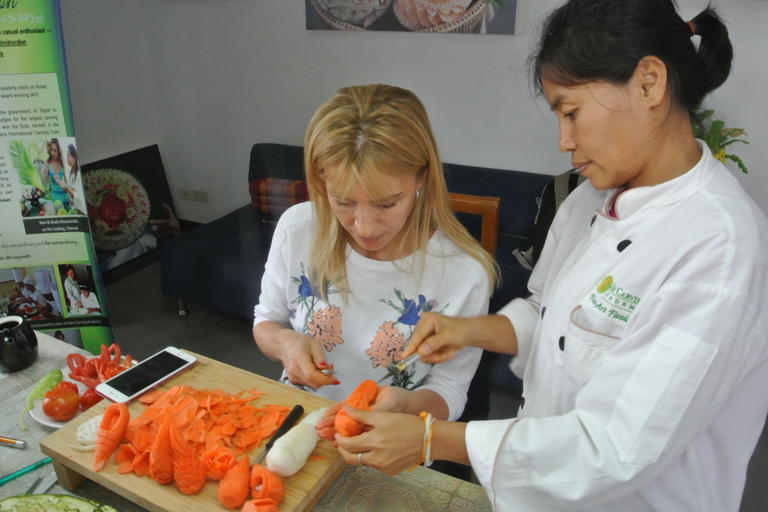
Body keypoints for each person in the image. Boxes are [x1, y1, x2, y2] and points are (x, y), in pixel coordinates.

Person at [329, 2, 768, 511]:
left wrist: (433, 438)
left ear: (649, 82)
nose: (563, 141)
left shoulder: (719, 246)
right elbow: (549, 313)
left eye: (571, 112)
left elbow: (615, 448)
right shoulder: (588, 200)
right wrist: (468, 330)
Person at [252, 84, 498, 425]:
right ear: (321, 182)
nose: (364, 227)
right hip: (298, 420)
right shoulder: (297, 229)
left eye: (386, 203)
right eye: (343, 201)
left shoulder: (464, 274)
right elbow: (266, 320)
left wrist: (406, 406)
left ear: (422, 179)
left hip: (390, 442)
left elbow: (450, 391)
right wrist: (285, 344)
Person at [45, 138, 70, 211]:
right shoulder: (47, 162)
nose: (52, 153)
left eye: (55, 150)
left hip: (64, 196)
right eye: (51, 150)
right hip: (55, 198)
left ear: (58, 150)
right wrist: (45, 175)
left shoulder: (62, 162)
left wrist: (70, 197)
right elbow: (46, 181)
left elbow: (66, 181)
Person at [62, 144, 86, 214]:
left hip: (82, 211)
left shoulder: (79, 174)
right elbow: (69, 191)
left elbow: (80, 198)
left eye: (68, 156)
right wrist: (63, 186)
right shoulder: (69, 171)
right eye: (67, 155)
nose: (67, 158)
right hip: (74, 210)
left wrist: (67, 187)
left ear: (75, 159)